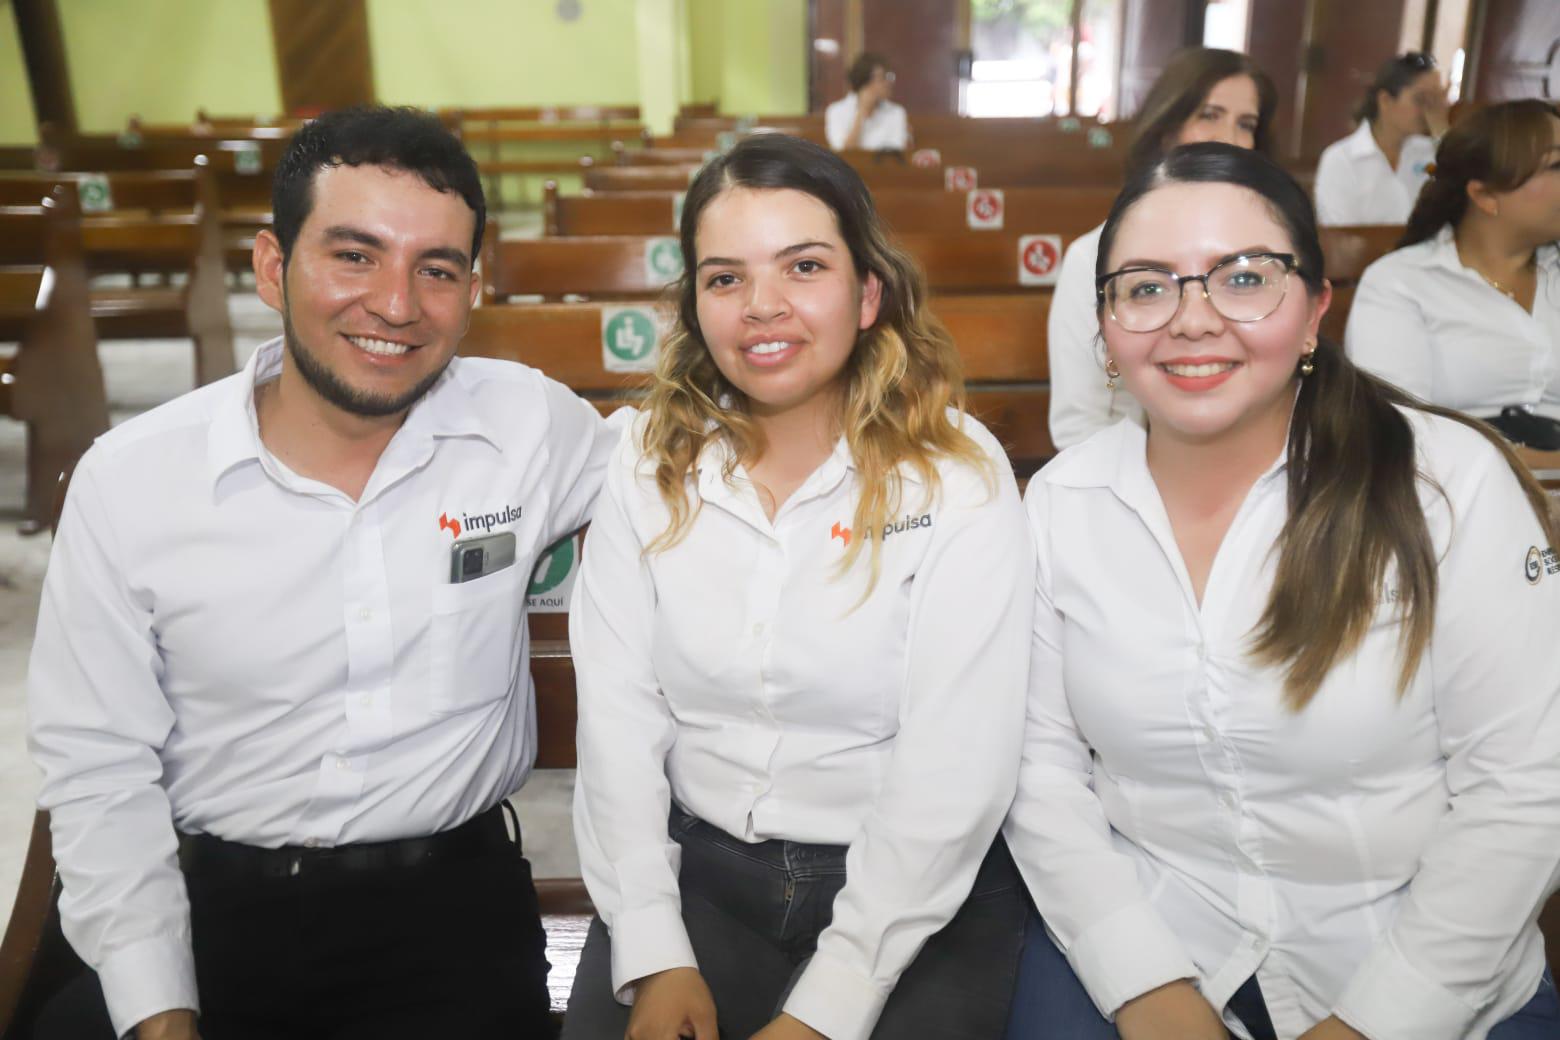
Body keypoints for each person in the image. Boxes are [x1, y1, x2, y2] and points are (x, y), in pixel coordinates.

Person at [27, 106, 617, 1039]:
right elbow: (99, 765)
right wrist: (158, 1006)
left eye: (437, 269)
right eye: (353, 255)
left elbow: (694, 467)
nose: (395, 304)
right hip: (211, 907)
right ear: (272, 266)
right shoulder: (135, 479)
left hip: (454, 916)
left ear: (474, 287)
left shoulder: (527, 426)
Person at [1004, 141, 1560, 1040]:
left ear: (1313, 312)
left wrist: (1377, 1019)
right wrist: (1148, 992)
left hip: (1418, 963)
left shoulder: (1445, 484)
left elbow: (1525, 787)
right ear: (1104, 326)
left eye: (1244, 277)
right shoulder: (1062, 506)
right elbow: (1041, 775)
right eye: (1146, 287)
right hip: (1149, 931)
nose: (1192, 319)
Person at [560, 133, 1033, 1040]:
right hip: (703, 881)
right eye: (725, 277)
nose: (761, 308)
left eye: (803, 267)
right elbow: (618, 721)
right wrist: (654, 948)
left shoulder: (957, 474)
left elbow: (956, 766)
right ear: (694, 303)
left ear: (867, 293)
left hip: (918, 895)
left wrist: (836, 998)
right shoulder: (649, 460)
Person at [1048, 47, 1277, 452]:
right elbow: (1079, 424)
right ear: (1166, 129)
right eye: (1209, 115)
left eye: (1246, 124)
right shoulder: (1093, 256)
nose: (1229, 139)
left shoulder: (1273, 252)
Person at [1346, 99, 1560, 450]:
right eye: (1557, 164)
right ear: (1485, 195)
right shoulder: (1401, 282)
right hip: (1454, 492)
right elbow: (1397, 432)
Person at [1314, 52, 1447, 227]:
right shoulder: (1341, 159)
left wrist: (1443, 133)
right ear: (1385, 100)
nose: (1430, 111)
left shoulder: (1432, 151)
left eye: (1437, 100)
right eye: (1421, 99)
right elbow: (1342, 237)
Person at [825, 52, 911, 152]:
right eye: (883, 77)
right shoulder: (836, 111)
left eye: (889, 76)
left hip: (885, 167)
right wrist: (861, 113)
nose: (888, 83)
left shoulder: (896, 111)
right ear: (865, 82)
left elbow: (897, 150)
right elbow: (843, 152)